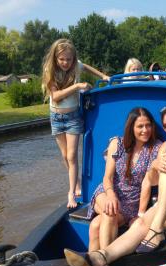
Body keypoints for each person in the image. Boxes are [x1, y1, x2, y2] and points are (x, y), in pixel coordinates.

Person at [65, 104, 166, 266]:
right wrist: (153, 170)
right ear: (165, 129)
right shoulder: (165, 147)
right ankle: (100, 257)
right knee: (139, 225)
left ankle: (156, 230)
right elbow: (149, 181)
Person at [42, 38, 110, 209]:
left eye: (69, 59)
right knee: (65, 156)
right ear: (55, 58)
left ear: (73, 58)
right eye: (62, 59)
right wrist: (77, 86)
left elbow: (86, 66)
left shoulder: (76, 65)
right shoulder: (49, 71)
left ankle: (71, 192)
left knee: (72, 156)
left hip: (72, 118)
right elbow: (56, 97)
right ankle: (77, 182)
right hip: (56, 118)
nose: (65, 62)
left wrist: (102, 76)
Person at [86, 107, 162, 253]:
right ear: (131, 128)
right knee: (110, 212)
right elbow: (107, 177)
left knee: (96, 225)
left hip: (132, 201)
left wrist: (140, 215)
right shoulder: (117, 144)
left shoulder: (156, 148)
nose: (145, 130)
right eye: (140, 126)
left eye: (148, 125)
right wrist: (111, 195)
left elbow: (147, 182)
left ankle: (93, 262)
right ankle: (104, 260)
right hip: (107, 192)